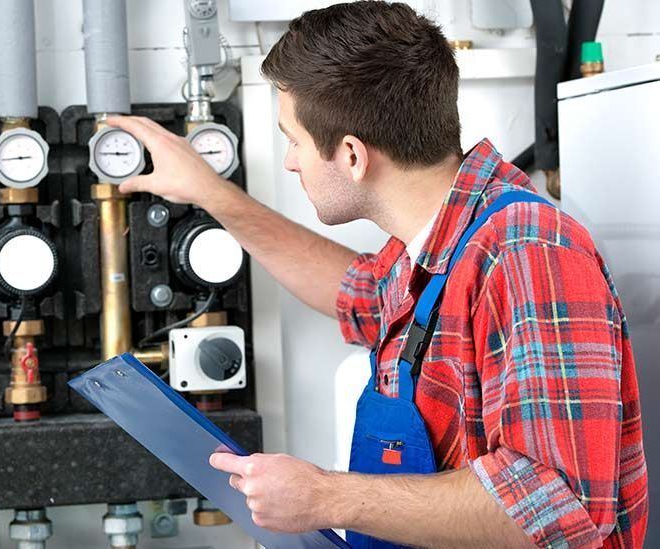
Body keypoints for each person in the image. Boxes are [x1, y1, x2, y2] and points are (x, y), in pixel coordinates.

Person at [108, 2, 648, 547]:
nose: (291, 161)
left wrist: (324, 497)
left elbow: (560, 505)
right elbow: (355, 295)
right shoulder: (439, 244)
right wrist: (211, 193)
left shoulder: (528, 253)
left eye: (293, 140)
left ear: (352, 155)